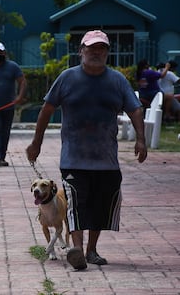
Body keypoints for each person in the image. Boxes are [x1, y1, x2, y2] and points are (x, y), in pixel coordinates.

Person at [26, 30, 147, 270]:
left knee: (101, 206)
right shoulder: (67, 78)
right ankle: (77, 250)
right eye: (91, 48)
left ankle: (91, 249)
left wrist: (141, 139)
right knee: (76, 203)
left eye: (101, 49)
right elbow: (47, 109)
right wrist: (36, 142)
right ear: (81, 51)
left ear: (107, 53)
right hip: (74, 157)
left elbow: (135, 109)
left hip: (106, 158)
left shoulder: (117, 81)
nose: (96, 53)